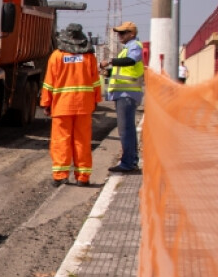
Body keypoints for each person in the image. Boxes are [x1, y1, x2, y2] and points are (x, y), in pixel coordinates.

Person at [40, 23, 102, 186]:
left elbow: (49, 83)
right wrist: (95, 101)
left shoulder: (56, 56)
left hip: (62, 106)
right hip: (84, 105)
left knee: (61, 140)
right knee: (82, 140)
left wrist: (46, 103)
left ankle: (61, 176)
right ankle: (83, 177)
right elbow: (96, 82)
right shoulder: (89, 57)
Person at [101, 21, 145, 173]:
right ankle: (131, 161)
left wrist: (111, 61)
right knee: (128, 129)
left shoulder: (134, 46)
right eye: (118, 33)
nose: (119, 36)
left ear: (131, 34)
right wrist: (110, 73)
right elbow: (126, 70)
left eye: (122, 33)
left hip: (127, 94)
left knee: (125, 130)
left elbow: (131, 61)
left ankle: (128, 163)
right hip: (124, 94)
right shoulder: (126, 49)